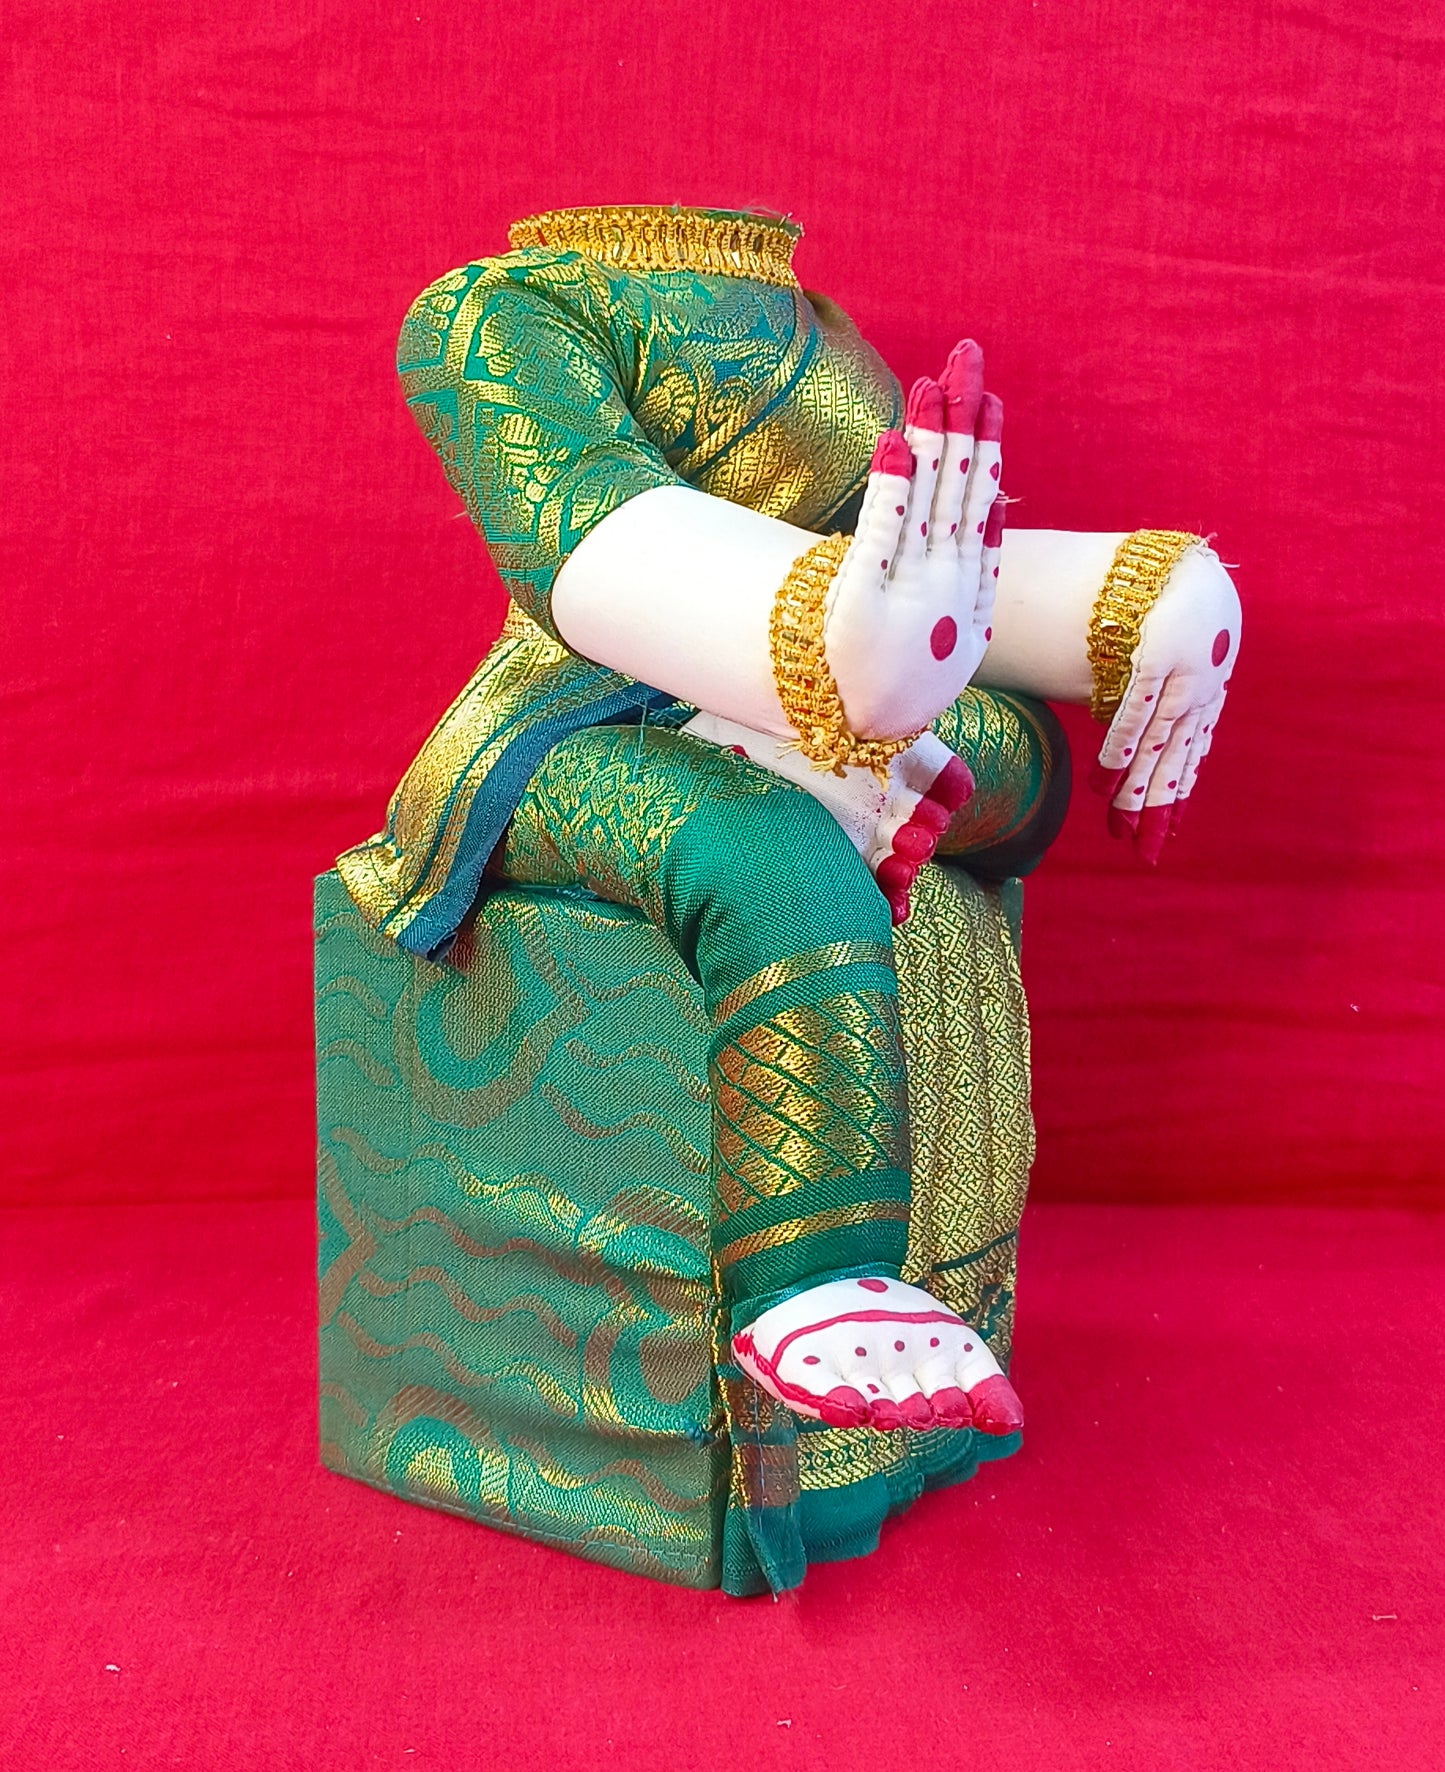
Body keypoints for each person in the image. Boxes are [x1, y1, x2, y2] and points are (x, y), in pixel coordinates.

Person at [338, 204, 1239, 1450]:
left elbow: (897, 560)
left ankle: (847, 729)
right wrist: (838, 638)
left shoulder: (814, 323)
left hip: (825, 689)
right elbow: (590, 537)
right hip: (583, 718)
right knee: (767, 854)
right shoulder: (496, 307)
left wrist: (1144, 598)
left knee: (1019, 755)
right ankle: (810, 1276)